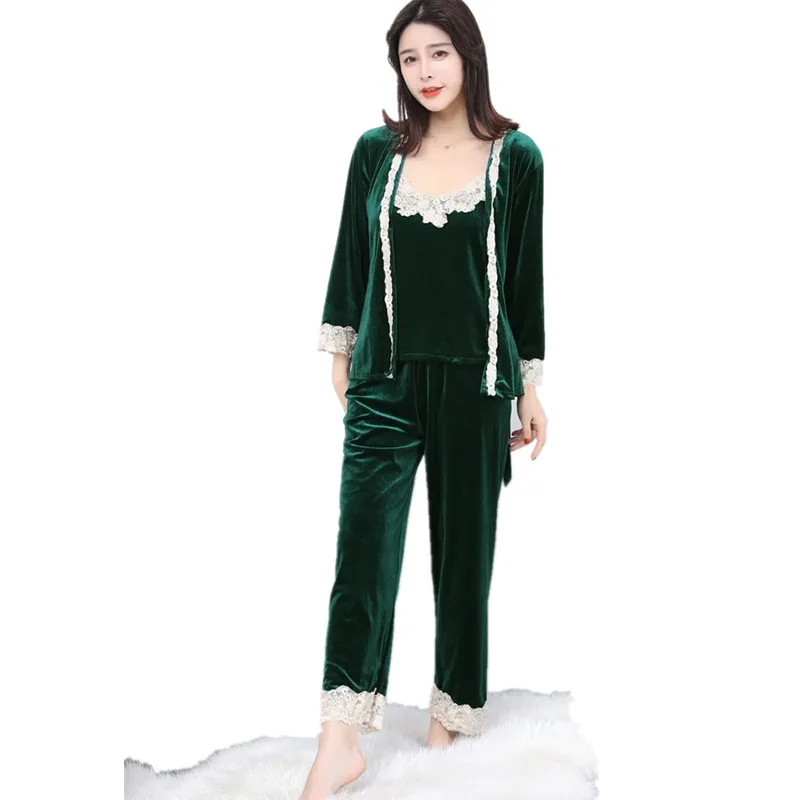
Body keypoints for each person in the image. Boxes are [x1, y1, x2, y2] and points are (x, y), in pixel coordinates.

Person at [299, 1, 546, 797]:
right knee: (361, 556)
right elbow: (349, 255)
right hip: (385, 379)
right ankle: (338, 740)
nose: (426, 71)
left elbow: (524, 280)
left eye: (439, 53)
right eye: (410, 59)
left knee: (464, 555)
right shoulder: (377, 153)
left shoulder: (517, 158)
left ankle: (451, 718)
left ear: (468, 54)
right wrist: (342, 346)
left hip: (477, 380)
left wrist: (530, 387)